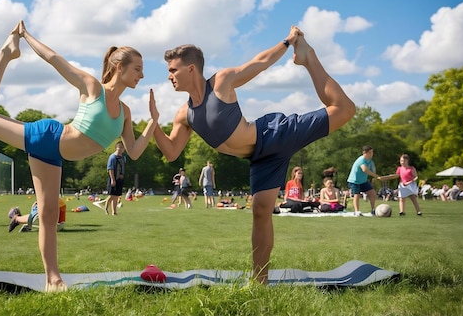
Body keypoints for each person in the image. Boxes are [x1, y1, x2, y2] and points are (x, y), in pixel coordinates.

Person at [151, 26, 356, 283]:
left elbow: (259, 63)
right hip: (260, 159)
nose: (169, 76)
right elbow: (171, 152)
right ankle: (260, 282)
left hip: (273, 135)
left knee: (344, 109)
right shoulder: (185, 114)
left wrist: (287, 42)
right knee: (260, 211)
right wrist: (153, 124)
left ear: (191, 69)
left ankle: (307, 56)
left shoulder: (220, 82)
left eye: (173, 70)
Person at [0, 21, 157, 293]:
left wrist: (153, 121)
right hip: (47, 137)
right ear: (118, 67)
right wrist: (26, 36)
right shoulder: (93, 87)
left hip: (54, 157)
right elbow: (54, 59)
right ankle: (6, 55)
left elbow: (135, 151)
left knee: (49, 215)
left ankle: (53, 280)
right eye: (138, 69)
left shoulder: (125, 113)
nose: (142, 75)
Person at [347, 146, 381, 216]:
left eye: (372, 152)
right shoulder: (361, 160)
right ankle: (357, 211)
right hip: (354, 181)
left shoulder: (370, 161)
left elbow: (373, 170)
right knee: (357, 195)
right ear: (364, 153)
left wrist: (377, 176)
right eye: (370, 152)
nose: (371, 154)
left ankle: (373, 210)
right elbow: (365, 170)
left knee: (372, 193)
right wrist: (376, 176)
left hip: (363, 181)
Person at [105, 141, 126, 215]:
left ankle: (114, 211)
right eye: (119, 147)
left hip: (120, 179)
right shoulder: (112, 157)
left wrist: (122, 175)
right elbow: (110, 169)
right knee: (112, 195)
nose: (120, 149)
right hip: (113, 178)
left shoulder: (123, 157)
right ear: (116, 148)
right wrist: (113, 179)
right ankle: (106, 208)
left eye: (122, 147)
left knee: (117, 196)